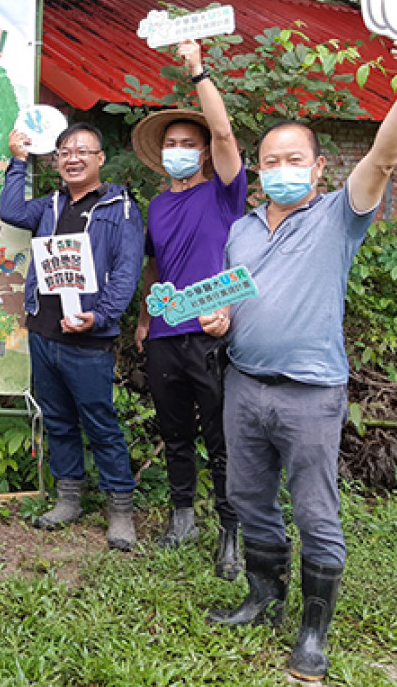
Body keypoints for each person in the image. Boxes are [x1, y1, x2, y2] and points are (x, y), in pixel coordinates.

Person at [200, 37, 397, 681]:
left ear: (318, 166)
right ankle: (262, 596)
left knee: (314, 510)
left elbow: (384, 160)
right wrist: (219, 319)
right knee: (249, 498)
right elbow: (232, 302)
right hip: (244, 385)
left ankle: (312, 632)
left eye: (293, 158)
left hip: (310, 394)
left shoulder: (339, 216)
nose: (281, 167)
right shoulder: (242, 229)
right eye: (270, 159)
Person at [131, 39, 246, 578]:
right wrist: (145, 316)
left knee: (222, 437)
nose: (180, 148)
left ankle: (231, 532)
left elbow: (223, 131)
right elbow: (155, 264)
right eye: (171, 142)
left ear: (203, 152)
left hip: (213, 328)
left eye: (188, 142)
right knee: (174, 431)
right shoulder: (157, 204)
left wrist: (198, 71)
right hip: (164, 335)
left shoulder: (225, 193)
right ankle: (182, 516)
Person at [0, 122, 144, 548]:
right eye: (64, 151)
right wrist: (18, 161)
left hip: (88, 338)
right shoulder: (50, 205)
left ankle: (120, 509)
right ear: (57, 160)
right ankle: (69, 498)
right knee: (58, 420)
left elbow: (126, 271)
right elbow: (10, 211)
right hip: (43, 331)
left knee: (100, 422)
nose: (73, 158)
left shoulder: (120, 208)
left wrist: (99, 317)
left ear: (101, 159)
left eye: (83, 150)